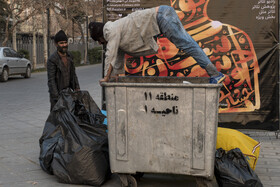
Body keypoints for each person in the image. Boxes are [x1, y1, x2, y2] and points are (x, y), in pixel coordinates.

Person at [89, 5, 225, 84]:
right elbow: (117, 59)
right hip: (163, 15)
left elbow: (110, 55)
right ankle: (214, 73)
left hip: (162, 16)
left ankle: (215, 74)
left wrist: (106, 78)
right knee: (187, 44)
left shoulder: (111, 31)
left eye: (99, 41)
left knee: (187, 44)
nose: (101, 43)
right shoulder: (115, 33)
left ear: (101, 36)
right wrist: (114, 79)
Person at [47, 30, 80, 110]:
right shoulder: (52, 59)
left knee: (71, 117)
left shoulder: (70, 56)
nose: (64, 45)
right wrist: (57, 98)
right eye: (61, 43)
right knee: (58, 120)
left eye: (65, 42)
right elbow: (51, 80)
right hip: (58, 95)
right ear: (56, 44)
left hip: (69, 93)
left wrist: (77, 87)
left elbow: (73, 74)